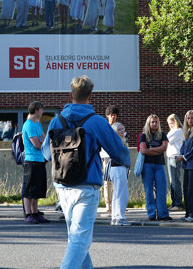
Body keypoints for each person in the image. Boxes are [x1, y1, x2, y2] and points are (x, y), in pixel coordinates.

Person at [41, 75, 130, 268]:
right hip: (86, 186)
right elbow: (119, 152)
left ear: (70, 94)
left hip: (62, 185)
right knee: (80, 240)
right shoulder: (96, 121)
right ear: (90, 96)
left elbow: (47, 153)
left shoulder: (58, 121)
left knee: (76, 237)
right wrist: (127, 160)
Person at [138, 114, 171, 222]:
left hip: (159, 165)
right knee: (148, 190)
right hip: (147, 165)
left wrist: (150, 149)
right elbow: (143, 150)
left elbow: (164, 148)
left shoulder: (162, 134)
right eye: (152, 122)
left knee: (161, 189)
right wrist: (157, 150)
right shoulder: (143, 136)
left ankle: (162, 214)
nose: (154, 124)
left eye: (156, 122)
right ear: (148, 123)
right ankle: (151, 213)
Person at [22, 101, 50, 223]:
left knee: (37, 189)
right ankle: (28, 214)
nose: (43, 112)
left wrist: (43, 141)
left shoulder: (37, 124)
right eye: (41, 110)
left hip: (40, 160)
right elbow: (38, 144)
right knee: (29, 189)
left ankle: (35, 212)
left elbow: (45, 139)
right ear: (36, 110)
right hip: (31, 161)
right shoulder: (28, 125)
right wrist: (43, 141)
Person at [166, 114, 185, 211]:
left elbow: (166, 139)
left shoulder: (178, 131)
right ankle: (174, 203)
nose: (170, 125)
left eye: (171, 123)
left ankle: (178, 204)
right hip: (170, 157)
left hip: (175, 157)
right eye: (169, 123)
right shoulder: (173, 131)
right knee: (172, 181)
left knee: (175, 181)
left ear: (175, 122)